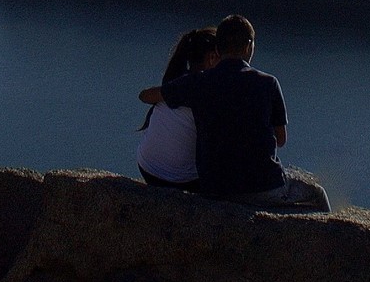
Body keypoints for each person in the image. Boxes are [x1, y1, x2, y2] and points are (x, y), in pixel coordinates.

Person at [138, 14, 328, 210]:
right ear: (248, 46)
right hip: (265, 186)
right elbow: (281, 139)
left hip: (214, 189)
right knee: (317, 194)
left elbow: (145, 96)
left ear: (218, 49)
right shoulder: (268, 83)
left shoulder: (198, 83)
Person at [136, 27, 218, 190]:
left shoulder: (178, 82)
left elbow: (144, 96)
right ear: (212, 58)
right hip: (178, 180)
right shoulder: (203, 86)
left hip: (146, 167)